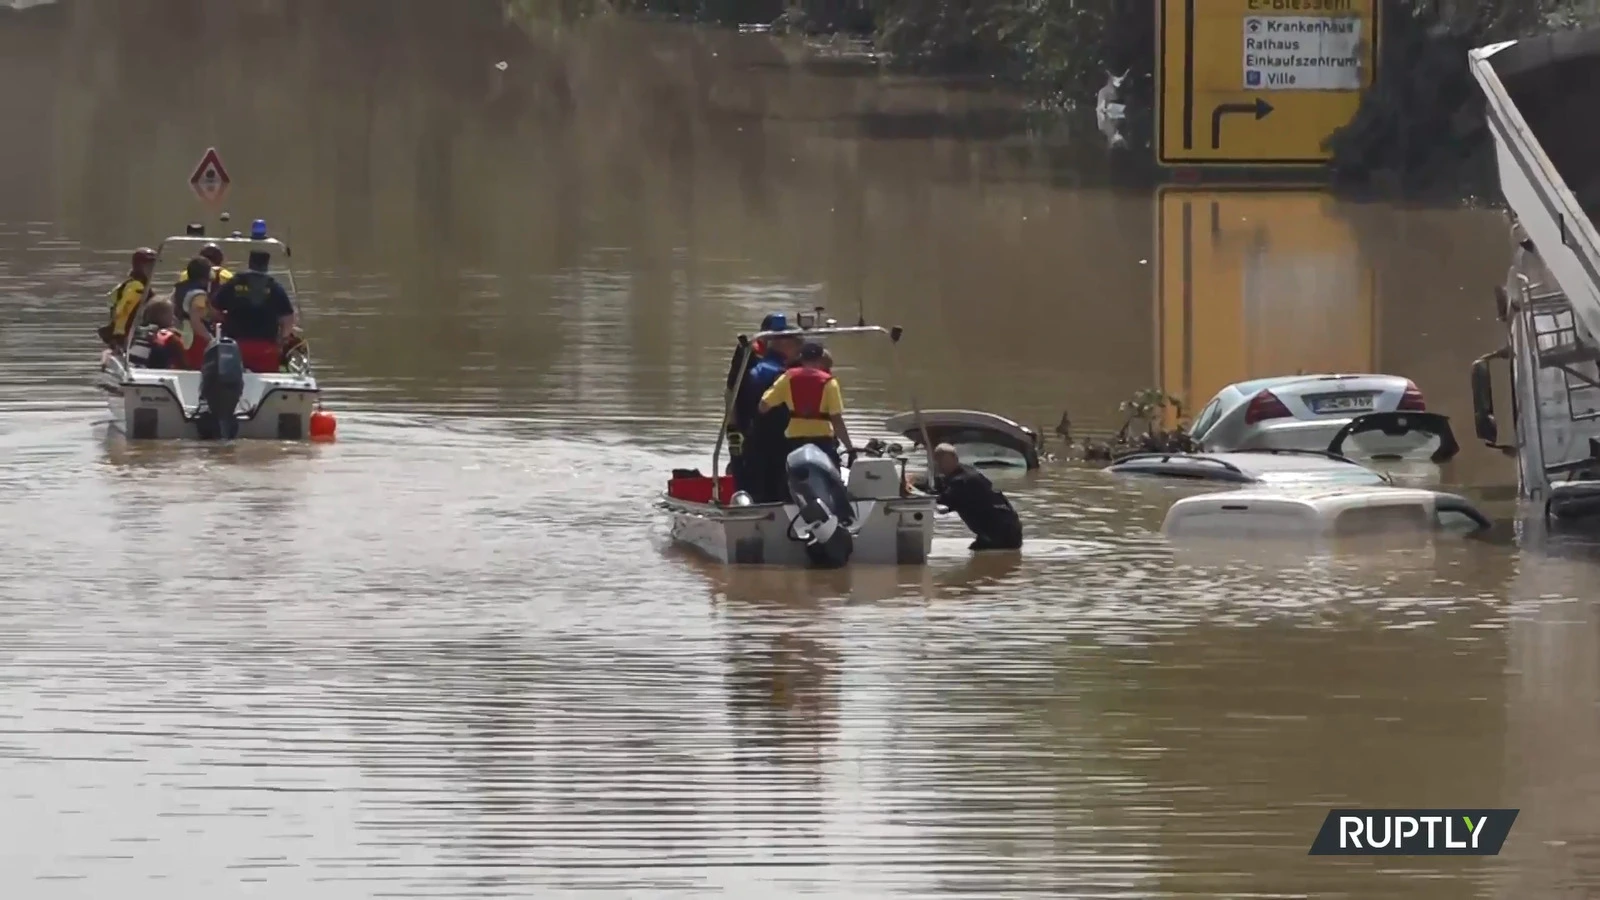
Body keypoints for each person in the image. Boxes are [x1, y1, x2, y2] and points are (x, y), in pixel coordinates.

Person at [759, 341, 854, 469]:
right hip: (822, 443)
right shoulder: (829, 383)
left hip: (795, 443)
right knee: (831, 482)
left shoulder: (787, 378)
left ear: (801, 359)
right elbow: (837, 421)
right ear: (821, 359)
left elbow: (763, 406)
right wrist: (850, 448)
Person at [912, 443, 1023, 551]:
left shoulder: (963, 480)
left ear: (954, 459)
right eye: (937, 461)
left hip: (1001, 534)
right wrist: (915, 482)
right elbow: (938, 487)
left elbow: (942, 501)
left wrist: (913, 491)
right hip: (1004, 531)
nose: (939, 465)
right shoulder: (963, 474)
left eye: (942, 461)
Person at [210, 250, 296, 373]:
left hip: (235, 346)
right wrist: (282, 339)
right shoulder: (275, 287)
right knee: (269, 378)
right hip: (266, 348)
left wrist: (224, 319)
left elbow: (213, 309)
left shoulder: (234, 283)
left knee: (230, 380)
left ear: (250, 263)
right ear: (266, 265)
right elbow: (288, 317)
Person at [99, 248, 156, 348]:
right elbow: (124, 313)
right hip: (126, 339)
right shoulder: (137, 288)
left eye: (152, 265)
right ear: (139, 266)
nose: (152, 269)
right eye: (148, 265)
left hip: (122, 338)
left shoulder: (130, 284)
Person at [126, 298, 185, 370]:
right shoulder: (171, 339)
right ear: (162, 316)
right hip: (158, 375)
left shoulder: (134, 333)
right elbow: (184, 365)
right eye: (171, 314)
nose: (174, 318)